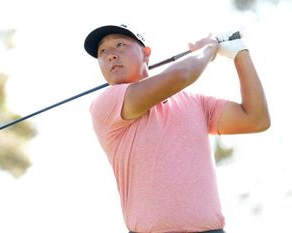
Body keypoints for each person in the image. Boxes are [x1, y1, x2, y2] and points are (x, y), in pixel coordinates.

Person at [84, 24, 270, 233]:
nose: (110, 55)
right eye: (103, 51)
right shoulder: (106, 103)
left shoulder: (195, 103)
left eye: (119, 45)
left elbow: (256, 119)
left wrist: (239, 52)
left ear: (146, 53)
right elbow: (181, 75)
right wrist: (209, 49)